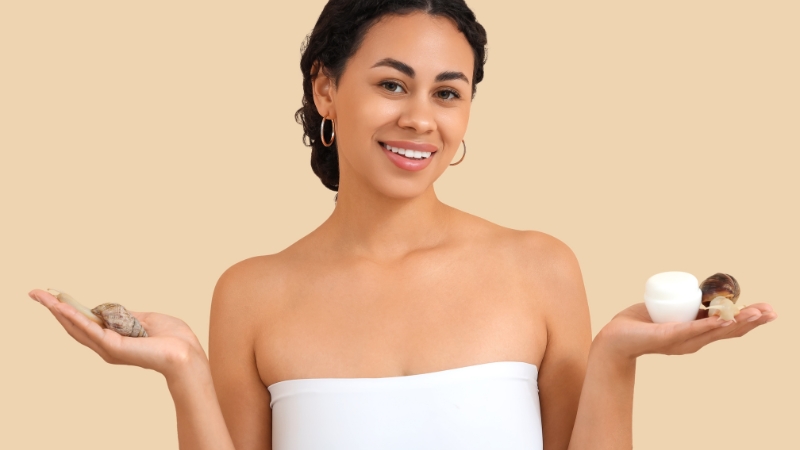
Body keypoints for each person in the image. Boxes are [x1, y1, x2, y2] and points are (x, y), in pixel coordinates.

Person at [28, 1, 777, 449]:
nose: (420, 117)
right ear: (326, 87)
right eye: (392, 83)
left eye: (448, 93)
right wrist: (183, 370)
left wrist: (617, 355)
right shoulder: (252, 292)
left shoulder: (539, 266)